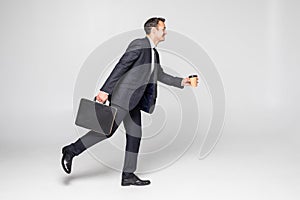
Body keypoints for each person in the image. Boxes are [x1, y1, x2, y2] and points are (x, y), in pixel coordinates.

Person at [61, 17, 197, 186]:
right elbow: (121, 66)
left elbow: (160, 75)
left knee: (135, 135)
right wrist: (105, 90)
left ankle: (128, 175)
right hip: (122, 97)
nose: (165, 32)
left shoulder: (154, 53)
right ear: (153, 30)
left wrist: (183, 81)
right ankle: (71, 150)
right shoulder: (139, 44)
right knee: (106, 131)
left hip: (135, 101)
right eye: (163, 29)